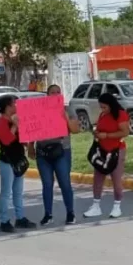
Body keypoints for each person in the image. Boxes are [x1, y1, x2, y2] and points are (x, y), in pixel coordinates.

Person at [29, 84, 79, 226]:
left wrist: (66, 118)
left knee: (64, 182)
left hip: (62, 150)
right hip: (43, 152)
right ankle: (48, 214)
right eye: (52, 92)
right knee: (47, 184)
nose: (55, 94)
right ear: (47, 95)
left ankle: (70, 212)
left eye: (58, 92)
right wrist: (30, 146)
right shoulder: (40, 110)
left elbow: (75, 130)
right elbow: (32, 127)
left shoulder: (68, 109)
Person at [0, 96, 35, 232]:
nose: (16, 107)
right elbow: (6, 140)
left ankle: (20, 218)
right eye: (13, 105)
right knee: (6, 193)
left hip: (18, 159)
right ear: (7, 107)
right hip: (7, 162)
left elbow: (22, 138)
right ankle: (4, 221)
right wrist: (15, 125)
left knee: (18, 192)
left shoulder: (15, 120)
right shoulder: (1, 123)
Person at [85, 93, 127, 219]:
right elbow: (101, 127)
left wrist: (107, 136)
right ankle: (96, 205)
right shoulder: (103, 115)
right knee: (98, 178)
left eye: (104, 107)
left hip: (116, 149)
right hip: (102, 150)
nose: (102, 110)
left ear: (111, 105)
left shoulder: (120, 114)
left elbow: (125, 132)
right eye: (101, 107)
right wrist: (96, 132)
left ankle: (117, 206)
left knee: (116, 179)